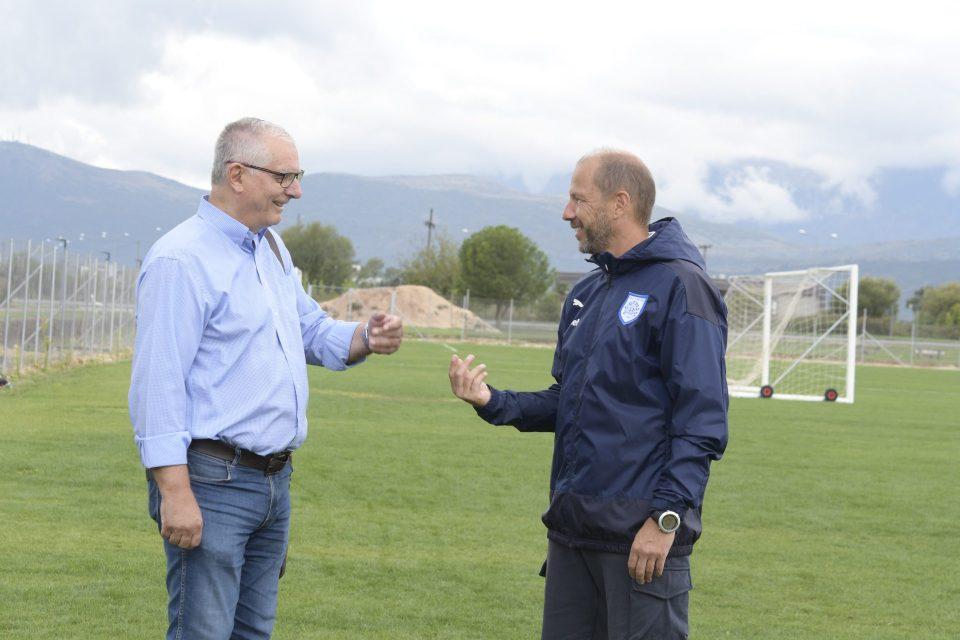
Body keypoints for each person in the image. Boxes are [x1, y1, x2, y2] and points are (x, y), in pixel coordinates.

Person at [129, 117, 403, 640]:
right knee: (203, 632)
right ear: (237, 174)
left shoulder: (271, 248)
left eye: (296, 177)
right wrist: (174, 491)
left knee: (253, 631)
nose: (295, 191)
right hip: (212, 481)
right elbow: (157, 384)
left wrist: (366, 336)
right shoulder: (180, 260)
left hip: (273, 481)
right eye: (284, 176)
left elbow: (309, 329)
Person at [449, 150, 728, 640]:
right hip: (572, 532)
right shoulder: (586, 293)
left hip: (640, 539)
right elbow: (571, 401)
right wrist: (493, 401)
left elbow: (701, 422)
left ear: (620, 203)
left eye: (579, 199)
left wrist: (665, 520)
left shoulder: (682, 287)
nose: (567, 213)